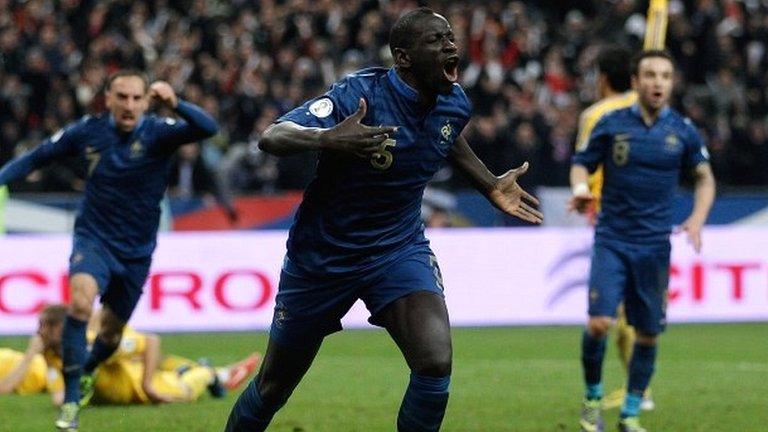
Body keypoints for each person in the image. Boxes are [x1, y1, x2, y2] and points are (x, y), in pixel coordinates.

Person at [225, 7, 542, 432]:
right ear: (404, 57)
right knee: (273, 387)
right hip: (322, 258)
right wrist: (327, 137)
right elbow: (272, 136)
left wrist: (489, 184)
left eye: (450, 37)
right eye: (435, 40)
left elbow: (446, 136)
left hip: (397, 250)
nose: (450, 45)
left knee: (434, 361)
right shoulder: (360, 95)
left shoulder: (455, 102)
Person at [0, 70, 219, 431]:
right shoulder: (88, 131)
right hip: (94, 238)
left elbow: (207, 128)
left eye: (137, 98)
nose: (129, 105)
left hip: (136, 251)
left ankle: (86, 370)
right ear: (108, 98)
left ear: (147, 100)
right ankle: (71, 402)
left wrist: (177, 104)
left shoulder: (160, 132)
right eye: (122, 97)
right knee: (81, 303)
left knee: (111, 335)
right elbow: (35, 158)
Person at [569, 50, 715, 432]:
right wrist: (582, 188)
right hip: (613, 239)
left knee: (648, 333)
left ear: (672, 83)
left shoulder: (683, 131)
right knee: (599, 323)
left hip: (654, 247)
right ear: (635, 82)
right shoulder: (611, 123)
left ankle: (630, 414)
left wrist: (697, 218)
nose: (658, 82)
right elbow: (581, 161)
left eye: (665, 76)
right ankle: (592, 398)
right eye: (650, 74)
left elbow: (704, 177)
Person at [575, 45, 654, 412]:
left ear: (602, 78)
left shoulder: (596, 115)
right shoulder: (646, 111)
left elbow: (586, 165)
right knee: (631, 305)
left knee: (613, 308)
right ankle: (638, 389)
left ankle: (640, 392)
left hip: (612, 217)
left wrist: (586, 197)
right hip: (648, 214)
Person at [0, 305, 260, 405]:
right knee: (156, 362)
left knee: (185, 389)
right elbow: (62, 393)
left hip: (145, 389)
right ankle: (198, 369)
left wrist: (148, 385)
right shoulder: (52, 353)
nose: (37, 332)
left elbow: (150, 340)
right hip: (123, 387)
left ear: (59, 328)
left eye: (43, 326)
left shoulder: (94, 345)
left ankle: (215, 373)